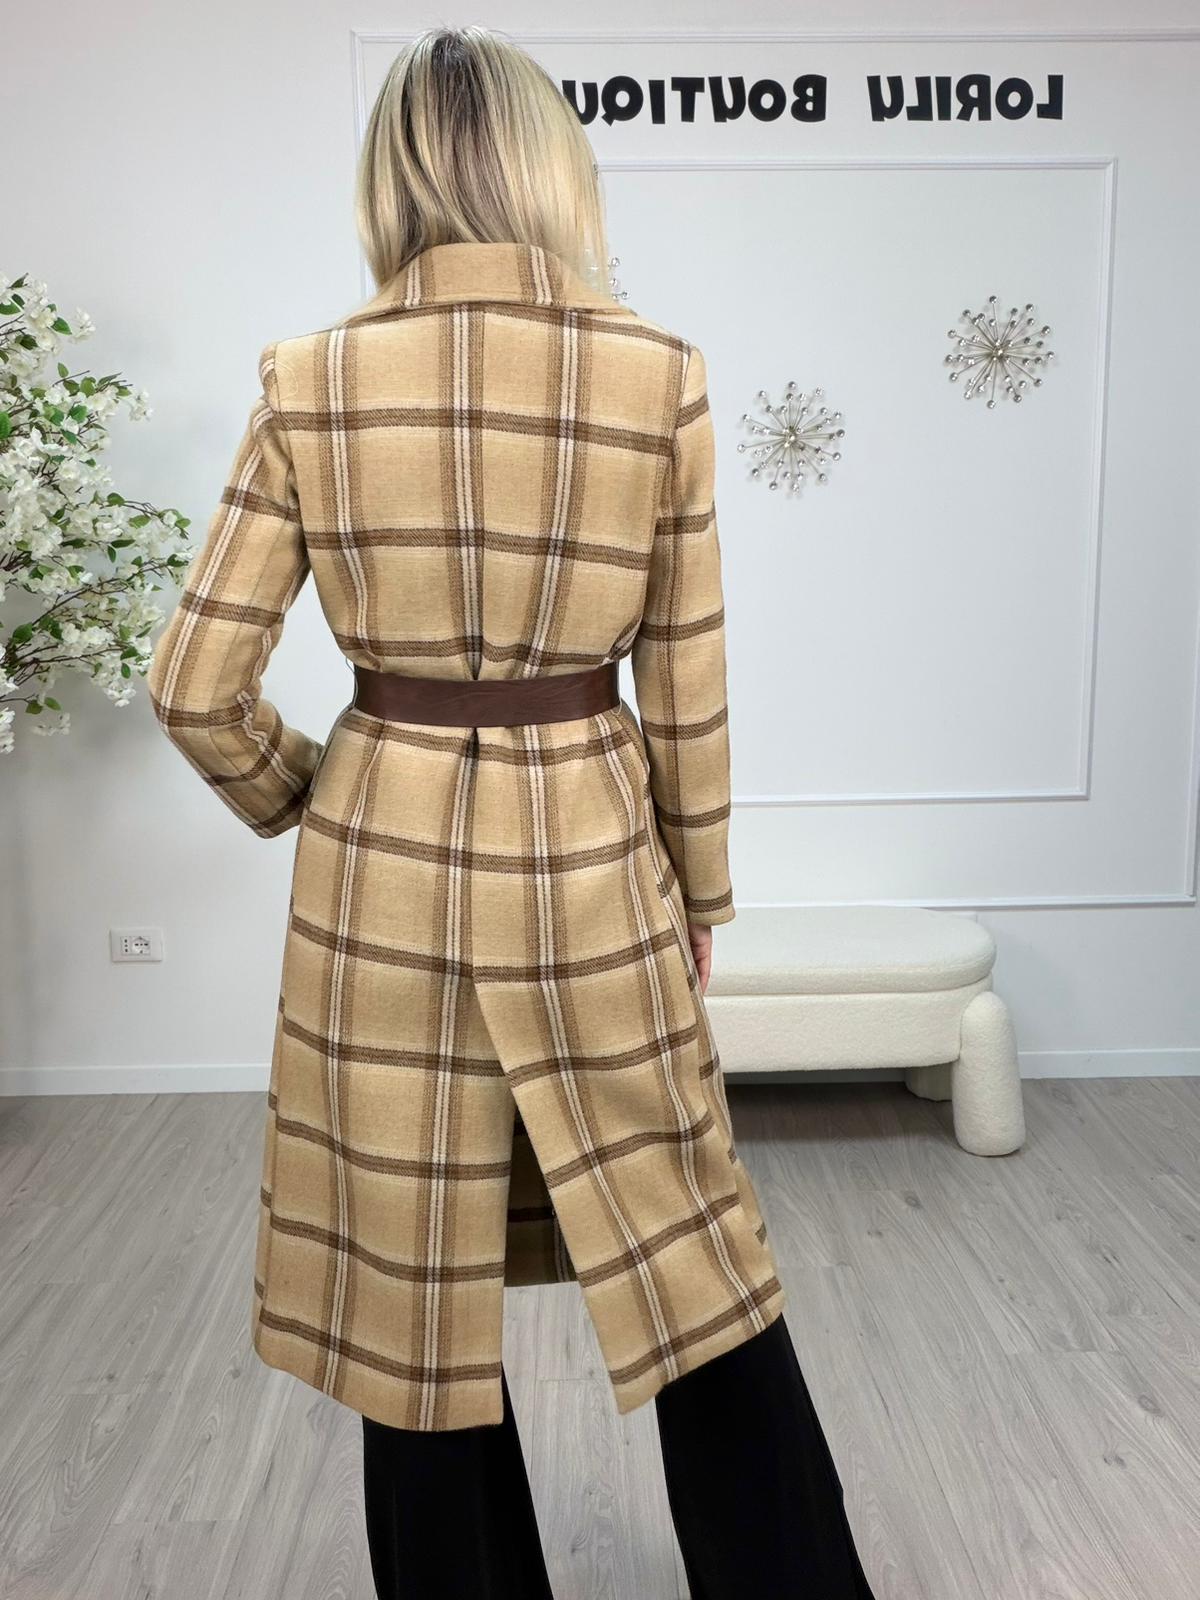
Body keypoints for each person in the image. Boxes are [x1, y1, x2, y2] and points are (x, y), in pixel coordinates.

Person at [146, 23, 877, 1600]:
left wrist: (322, 795)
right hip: (591, 854)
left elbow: (193, 685)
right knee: (694, 1262)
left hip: (381, 873)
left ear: (389, 180)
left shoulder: (307, 378)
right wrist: (701, 894)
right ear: (556, 169)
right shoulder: (656, 372)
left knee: (408, 1300)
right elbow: (686, 678)